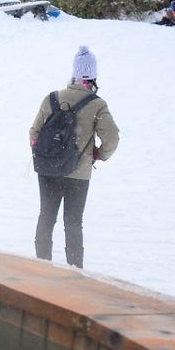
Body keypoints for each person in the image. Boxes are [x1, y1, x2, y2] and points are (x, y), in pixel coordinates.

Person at [29, 46, 119, 269]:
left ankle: (42, 267)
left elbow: (34, 133)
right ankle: (75, 272)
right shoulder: (97, 104)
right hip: (78, 174)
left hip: (48, 170)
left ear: (74, 74)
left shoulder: (51, 99)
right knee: (73, 222)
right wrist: (99, 155)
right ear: (93, 76)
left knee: (46, 216)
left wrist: (47, 153)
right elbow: (112, 137)